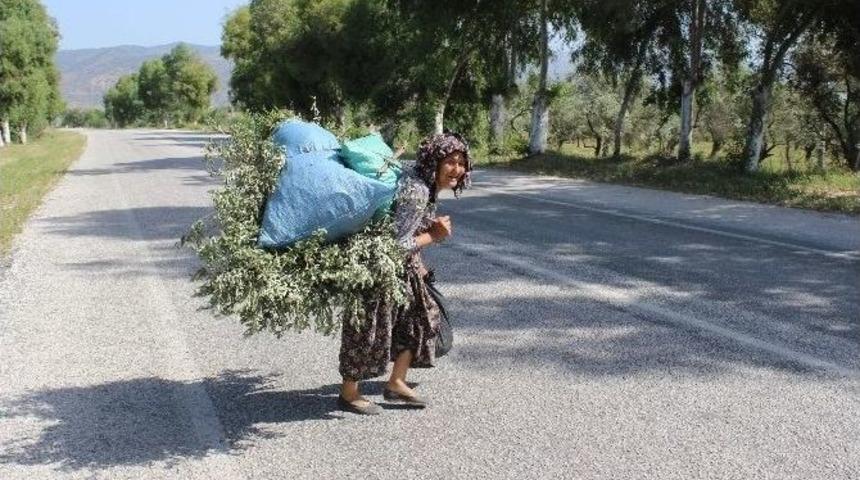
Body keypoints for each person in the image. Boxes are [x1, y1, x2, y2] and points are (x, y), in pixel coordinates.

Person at [337, 131, 472, 415]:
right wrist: (433, 236)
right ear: (435, 161)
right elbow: (395, 245)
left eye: (461, 163)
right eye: (450, 161)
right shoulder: (417, 192)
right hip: (379, 268)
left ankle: (397, 382)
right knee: (368, 329)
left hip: (403, 269)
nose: (457, 169)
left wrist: (421, 257)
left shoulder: (425, 185)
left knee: (420, 319)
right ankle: (348, 393)